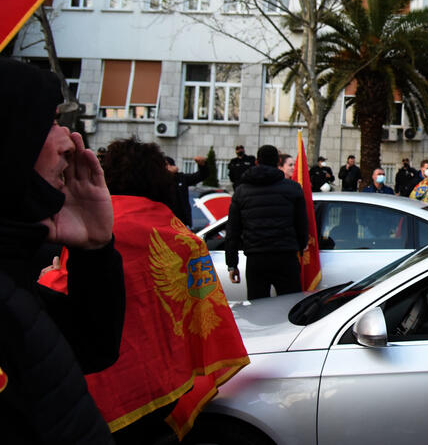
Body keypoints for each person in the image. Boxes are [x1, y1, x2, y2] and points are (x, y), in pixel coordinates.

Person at [44, 137, 248, 443]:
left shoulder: (89, 227)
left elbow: (69, 304)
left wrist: (46, 279)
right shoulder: (183, 236)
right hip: (168, 380)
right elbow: (203, 311)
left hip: (110, 382)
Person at [0, 58, 125, 444]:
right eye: (49, 122)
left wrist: (95, 248)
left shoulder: (11, 274)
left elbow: (91, 349)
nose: (69, 142)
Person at [225, 145, 308, 300]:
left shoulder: (241, 191)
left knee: (258, 309)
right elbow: (302, 224)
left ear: (257, 162)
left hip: (256, 259)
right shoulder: (293, 189)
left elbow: (232, 232)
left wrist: (232, 264)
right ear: (277, 162)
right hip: (286, 257)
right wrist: (300, 247)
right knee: (291, 309)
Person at [165, 154, 210, 227]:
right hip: (165, 222)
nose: (166, 168)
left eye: (167, 165)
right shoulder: (158, 181)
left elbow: (201, 175)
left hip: (181, 222)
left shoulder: (181, 178)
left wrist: (203, 165)